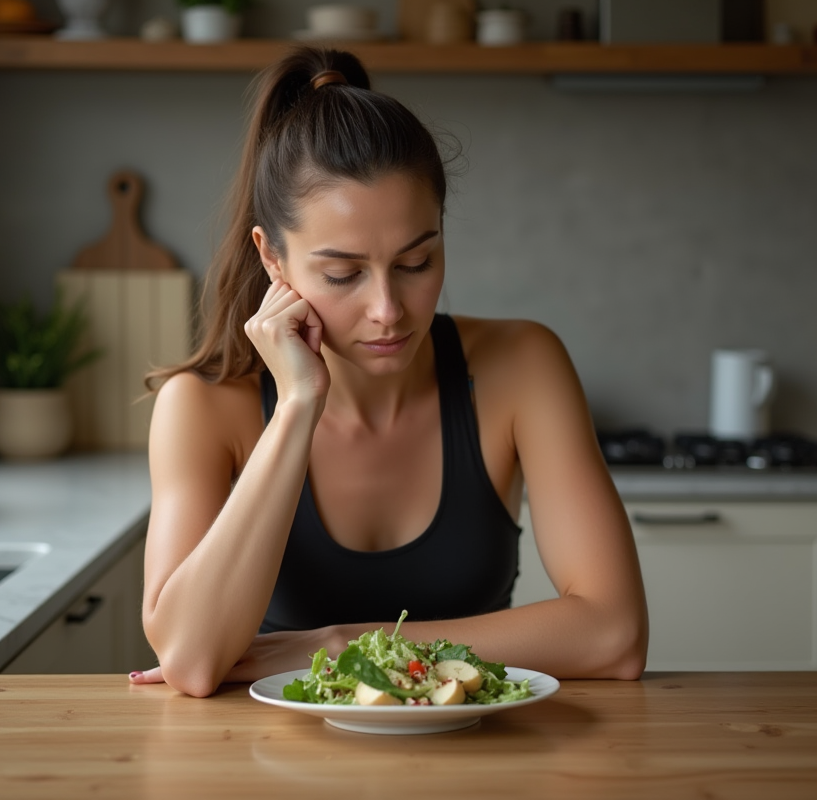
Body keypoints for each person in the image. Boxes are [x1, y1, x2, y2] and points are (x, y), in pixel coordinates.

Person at [130, 46, 647, 698]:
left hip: (475, 762)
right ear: (274, 261)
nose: (388, 310)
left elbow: (615, 634)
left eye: (416, 262)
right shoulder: (203, 406)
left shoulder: (523, 367)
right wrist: (295, 407)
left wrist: (342, 645)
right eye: (343, 274)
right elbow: (193, 662)